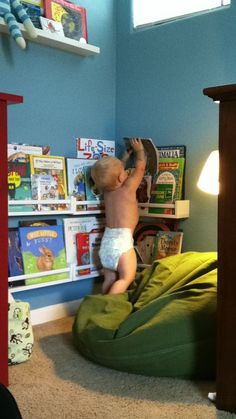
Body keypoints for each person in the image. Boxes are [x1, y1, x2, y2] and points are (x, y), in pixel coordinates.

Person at [91, 138, 146, 294]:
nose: (125, 173)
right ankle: (108, 307)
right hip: (122, 244)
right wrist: (139, 151)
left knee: (110, 279)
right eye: (123, 171)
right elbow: (140, 169)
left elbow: (113, 174)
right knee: (126, 278)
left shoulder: (107, 192)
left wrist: (125, 157)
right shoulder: (128, 188)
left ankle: (101, 302)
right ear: (122, 178)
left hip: (106, 244)